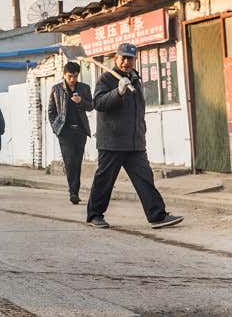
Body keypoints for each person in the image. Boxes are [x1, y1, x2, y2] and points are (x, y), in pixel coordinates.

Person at [86, 43, 184, 229]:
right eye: (123, 58)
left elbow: (138, 109)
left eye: (130, 58)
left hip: (134, 142)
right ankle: (95, 215)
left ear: (135, 60)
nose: (126, 62)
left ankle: (157, 216)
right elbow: (98, 103)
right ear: (116, 58)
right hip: (112, 142)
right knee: (104, 180)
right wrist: (118, 91)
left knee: (145, 179)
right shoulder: (106, 79)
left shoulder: (135, 79)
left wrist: (141, 132)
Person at [48, 61, 94, 204]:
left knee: (77, 161)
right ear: (64, 75)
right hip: (65, 132)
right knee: (69, 162)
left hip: (80, 130)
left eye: (75, 76)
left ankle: (75, 191)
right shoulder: (56, 89)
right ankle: (73, 192)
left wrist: (80, 101)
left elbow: (91, 106)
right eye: (70, 76)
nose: (73, 79)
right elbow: (51, 111)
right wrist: (57, 129)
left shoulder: (84, 88)